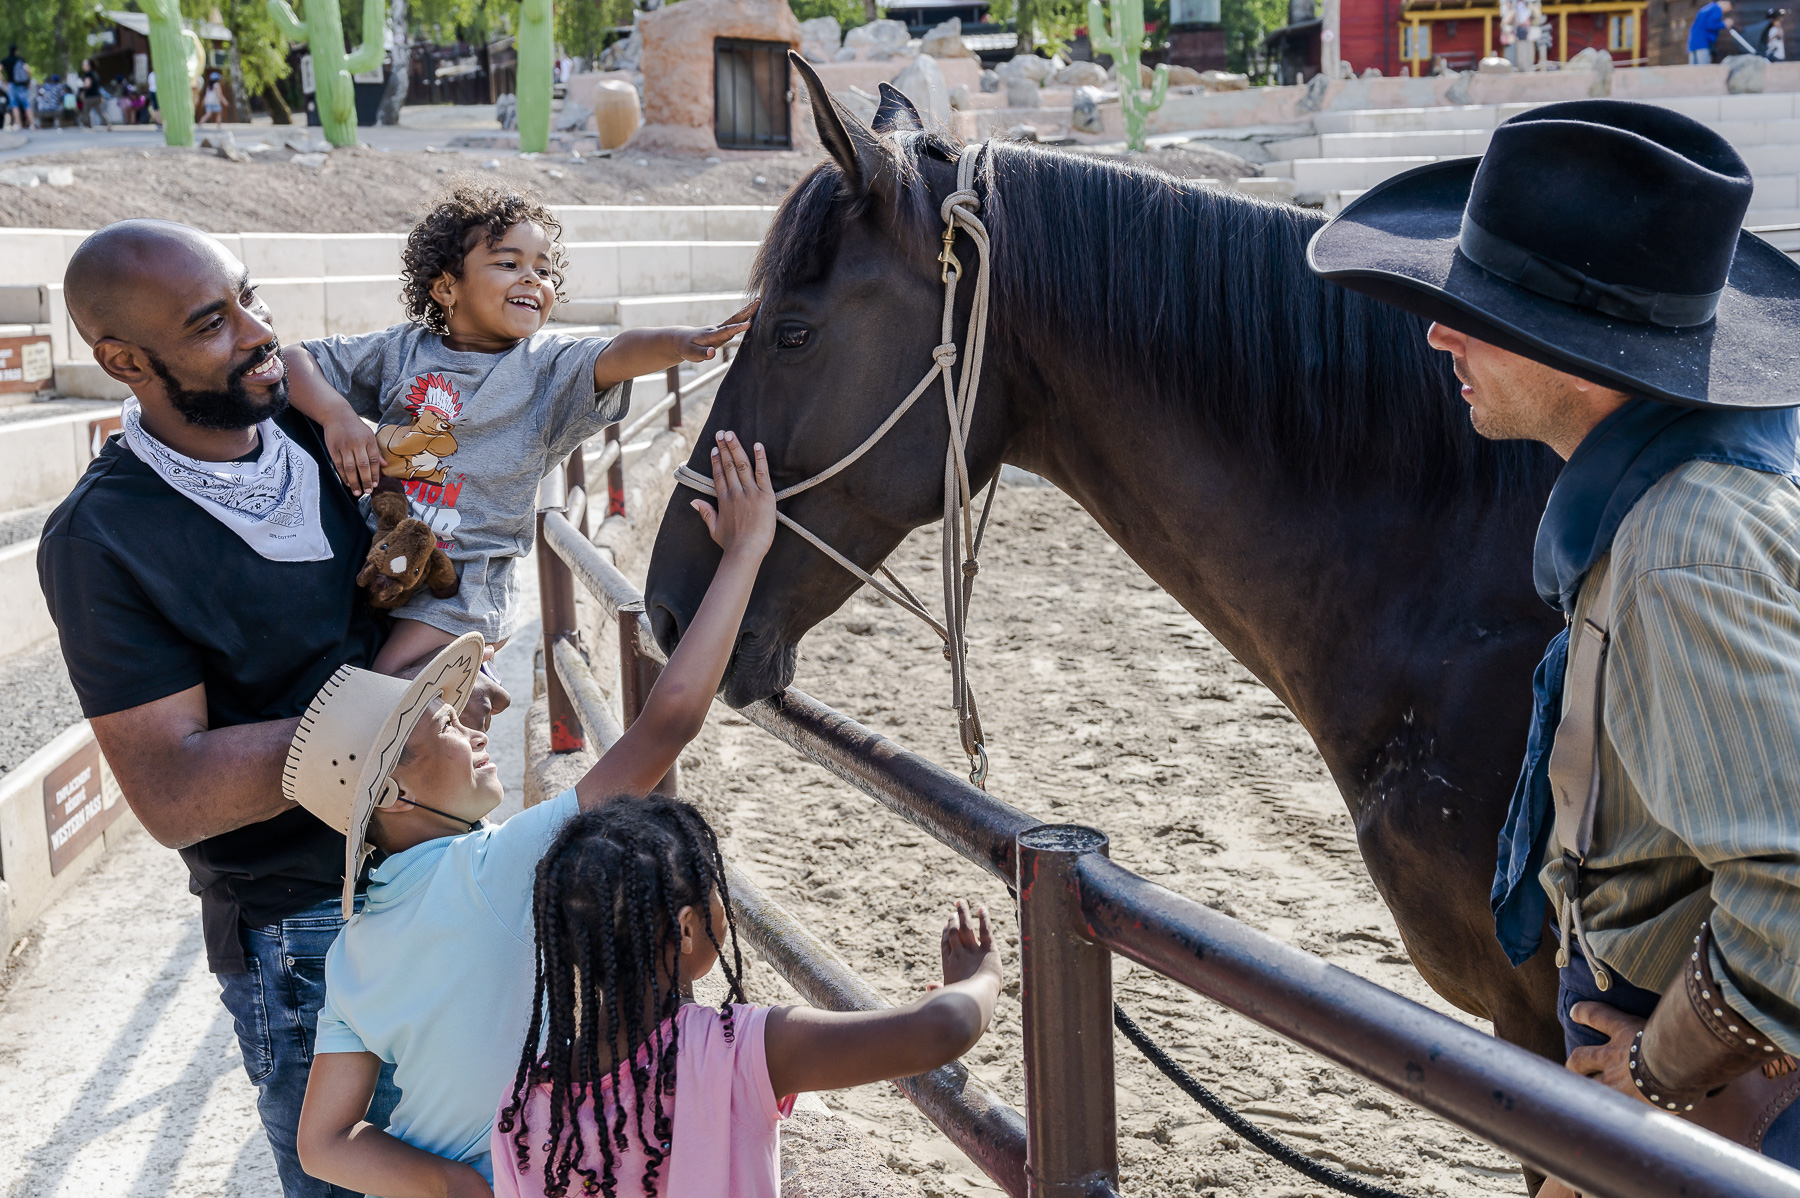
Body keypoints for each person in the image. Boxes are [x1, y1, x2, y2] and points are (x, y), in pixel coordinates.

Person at [1309, 101, 1800, 1180]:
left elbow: (1794, 889)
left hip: (1709, 1098)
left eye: (1477, 313)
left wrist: (1657, 1071)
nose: (1439, 333)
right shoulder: (1669, 507)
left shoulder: (1680, 546)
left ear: (1575, 355)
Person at [37, 219, 509, 1198]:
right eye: (213, 321)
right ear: (124, 359)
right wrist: (398, 723)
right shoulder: (103, 538)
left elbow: (434, 559)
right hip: (308, 931)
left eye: (250, 296)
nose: (259, 332)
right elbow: (172, 788)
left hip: (446, 871)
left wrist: (438, 684)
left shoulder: (312, 427)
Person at [289, 429, 779, 1195]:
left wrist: (457, 1187)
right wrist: (746, 551)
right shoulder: (495, 867)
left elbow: (322, 1143)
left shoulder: (353, 949)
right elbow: (669, 721)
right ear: (395, 795)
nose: (474, 726)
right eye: (446, 727)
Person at [281, 183, 755, 680]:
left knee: (389, 681)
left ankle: (470, 701)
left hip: (464, 584)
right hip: (379, 553)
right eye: (509, 264)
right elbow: (296, 360)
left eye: (543, 269)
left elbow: (617, 353)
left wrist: (682, 342)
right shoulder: (402, 349)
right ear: (446, 288)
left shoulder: (548, 368)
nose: (533, 278)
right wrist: (339, 415)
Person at [491, 802, 1002, 1198]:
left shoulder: (520, 1107)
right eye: (714, 882)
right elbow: (944, 1030)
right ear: (686, 929)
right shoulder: (734, 1052)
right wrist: (981, 979)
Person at [3, 45, 30, 130]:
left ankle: (20, 124)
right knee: (27, 104)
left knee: (14, 105)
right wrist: (28, 80)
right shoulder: (20, 60)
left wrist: (3, 82)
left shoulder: (5, 61)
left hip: (11, 84)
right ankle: (32, 123)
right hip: (22, 85)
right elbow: (28, 70)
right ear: (16, 51)